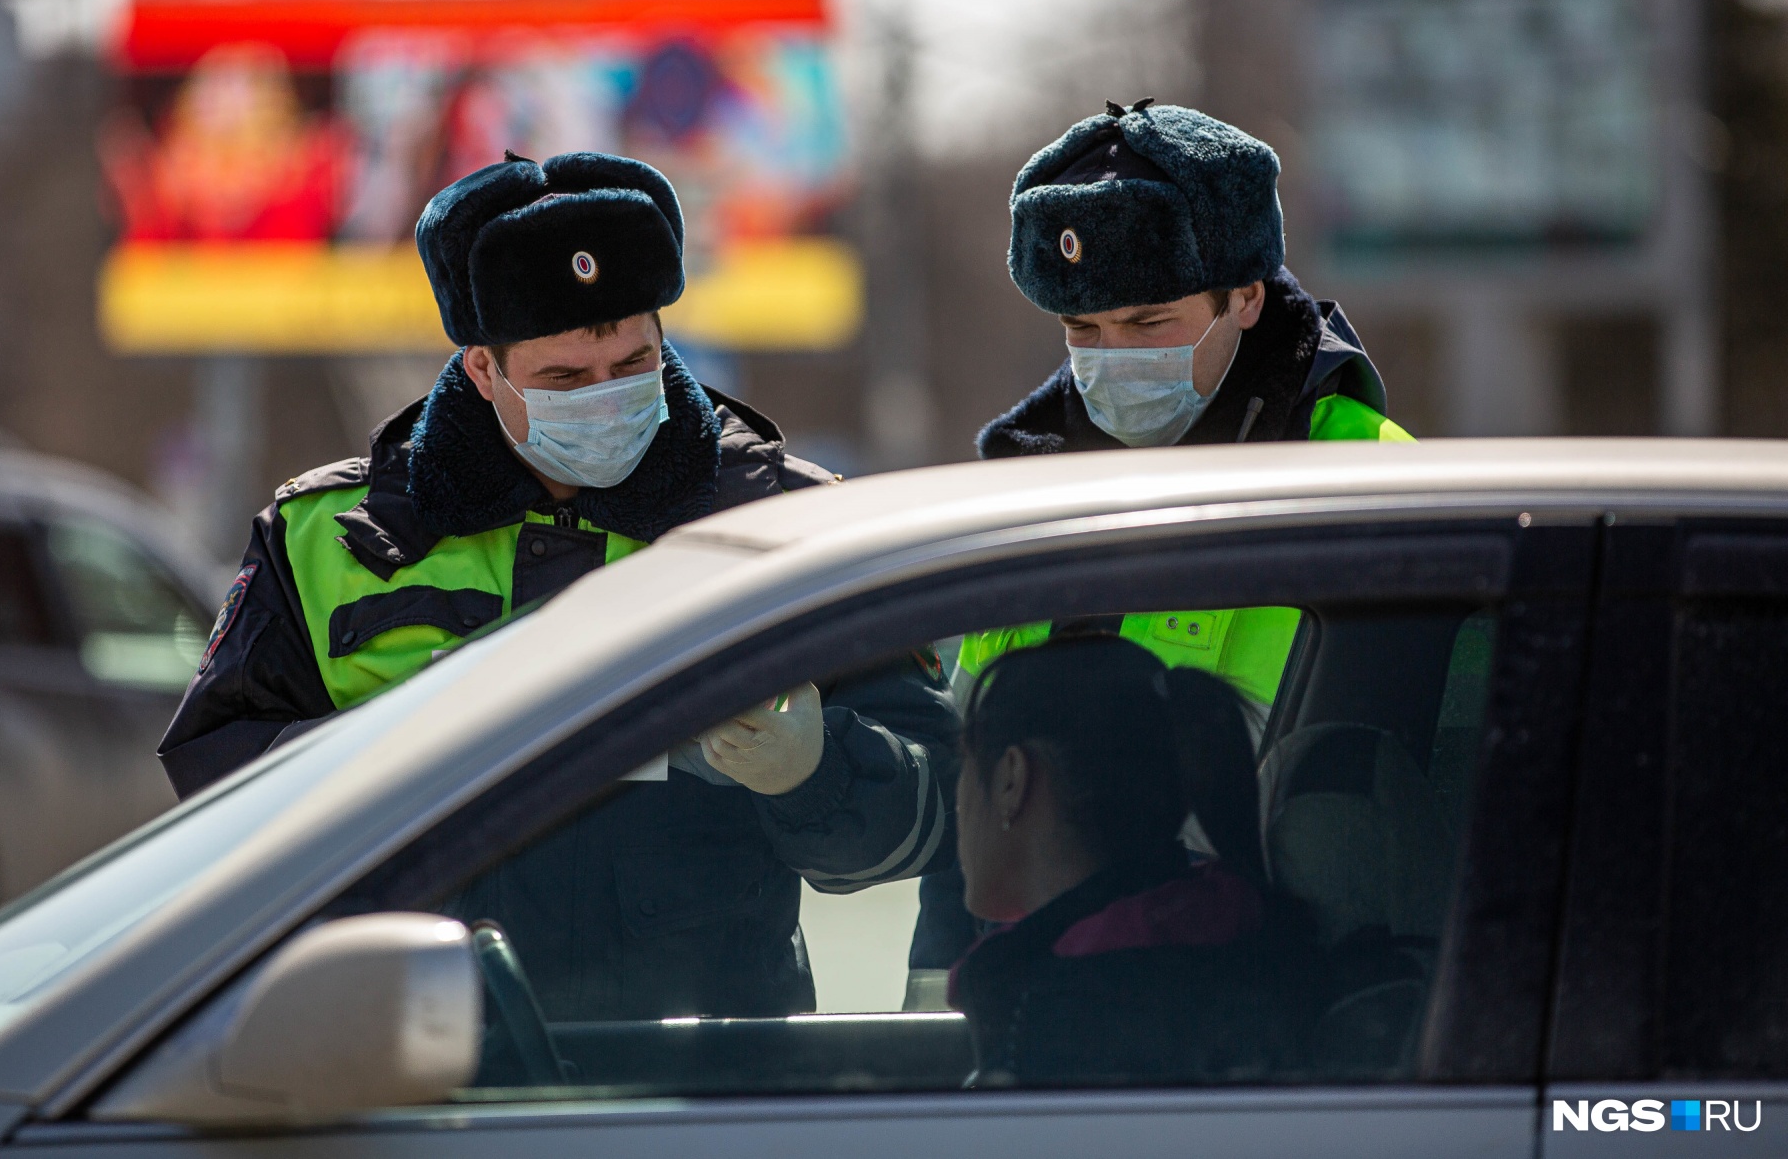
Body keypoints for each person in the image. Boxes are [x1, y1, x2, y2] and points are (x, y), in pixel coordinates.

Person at [160, 150, 955, 1022]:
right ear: (482, 370)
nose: (607, 397)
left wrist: (814, 769)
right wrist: (400, 762)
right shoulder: (330, 536)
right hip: (423, 1065)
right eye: (565, 379)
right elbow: (219, 798)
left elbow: (932, 813)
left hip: (717, 1080)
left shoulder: (788, 520)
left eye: (632, 362)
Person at [908, 100, 1412, 995]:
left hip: (1281, 1016)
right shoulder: (1027, 491)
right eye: (1082, 333)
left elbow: (1401, 814)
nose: (1110, 363)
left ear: (1247, 296)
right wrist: (939, 1002)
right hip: (1051, 1016)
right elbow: (973, 790)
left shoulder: (1361, 478)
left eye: (1147, 324)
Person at [949, 636, 1321, 1087]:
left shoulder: (1053, 1016)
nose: (958, 800)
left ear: (1011, 778)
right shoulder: (1240, 932)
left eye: (965, 763)